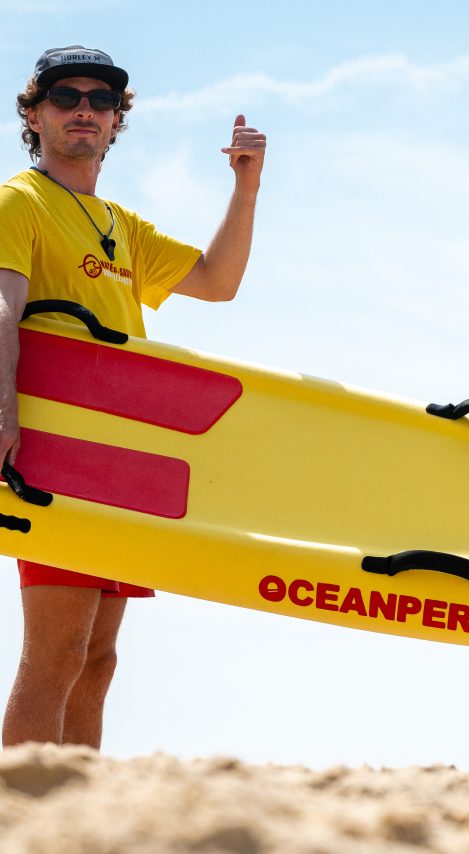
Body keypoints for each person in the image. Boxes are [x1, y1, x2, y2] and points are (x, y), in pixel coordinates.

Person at [0, 46, 266, 750]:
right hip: (57, 449)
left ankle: (80, 808)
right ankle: (21, 810)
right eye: (65, 96)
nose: (84, 108)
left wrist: (245, 188)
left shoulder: (120, 225)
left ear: (118, 120)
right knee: (55, 650)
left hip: (124, 457)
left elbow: (216, 280)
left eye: (101, 99)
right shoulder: (18, 202)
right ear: (33, 114)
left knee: (97, 657)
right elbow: (2, 307)